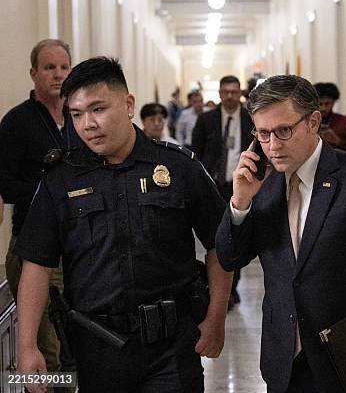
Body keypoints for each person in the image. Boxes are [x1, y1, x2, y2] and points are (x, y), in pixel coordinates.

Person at [14, 57, 232, 393]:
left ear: (128, 105)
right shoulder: (61, 179)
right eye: (76, 114)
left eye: (98, 109)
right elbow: (37, 264)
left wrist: (216, 317)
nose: (87, 124)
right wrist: (27, 346)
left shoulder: (178, 168)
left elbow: (222, 244)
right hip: (97, 348)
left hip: (171, 345)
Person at [215, 75, 346, 392]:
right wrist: (240, 201)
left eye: (283, 131)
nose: (272, 146)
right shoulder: (261, 183)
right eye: (263, 133)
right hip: (284, 358)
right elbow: (230, 256)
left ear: (313, 121)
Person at [0, 39, 80, 378]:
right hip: (34, 246)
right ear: (34, 73)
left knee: (75, 343)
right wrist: (53, 193)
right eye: (49, 68)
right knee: (48, 349)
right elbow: (5, 183)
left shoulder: (82, 116)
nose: (58, 75)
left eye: (64, 67)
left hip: (78, 245)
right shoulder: (17, 122)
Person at [191, 75, 254, 309]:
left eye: (234, 92)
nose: (229, 96)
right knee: (217, 240)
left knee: (237, 238)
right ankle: (218, 289)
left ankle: (232, 288)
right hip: (213, 188)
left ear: (240, 93)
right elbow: (195, 153)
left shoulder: (250, 120)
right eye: (225, 92)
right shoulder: (206, 120)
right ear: (218, 93)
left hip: (241, 187)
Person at [313, 82, 346, 153]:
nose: (324, 108)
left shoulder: (344, 121)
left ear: (333, 102)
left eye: (327, 104)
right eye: (320, 104)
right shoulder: (309, 121)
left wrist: (337, 141)